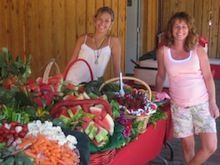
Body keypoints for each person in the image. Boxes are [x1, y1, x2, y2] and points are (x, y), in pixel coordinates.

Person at [155, 12, 219, 165]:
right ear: (171, 29)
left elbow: (208, 78)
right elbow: (160, 76)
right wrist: (156, 95)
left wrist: (212, 102)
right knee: (188, 147)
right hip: (179, 107)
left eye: (184, 26)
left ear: (189, 29)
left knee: (210, 146)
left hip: (202, 104)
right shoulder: (163, 52)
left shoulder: (198, 50)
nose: (180, 30)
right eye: (177, 26)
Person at [64, 6, 121, 85]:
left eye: (107, 21)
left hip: (92, 86)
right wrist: (63, 79)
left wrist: (120, 87)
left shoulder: (113, 42)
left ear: (111, 24)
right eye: (100, 19)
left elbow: (116, 69)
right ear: (95, 20)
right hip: (72, 81)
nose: (102, 23)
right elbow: (72, 60)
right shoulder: (83, 39)